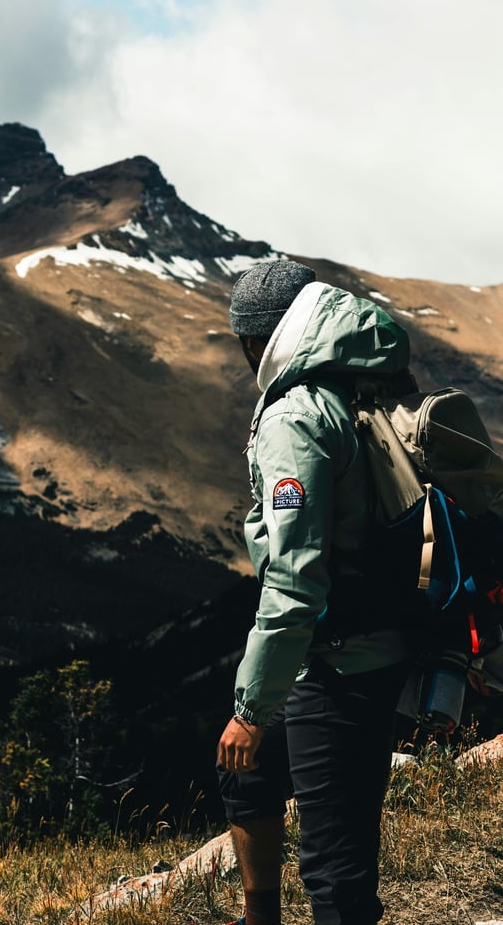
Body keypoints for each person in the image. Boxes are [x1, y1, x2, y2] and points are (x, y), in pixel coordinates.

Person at [216, 260, 415, 925]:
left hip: (336, 661)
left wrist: (251, 708)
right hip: (366, 638)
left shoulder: (295, 416)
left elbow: (295, 579)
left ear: (256, 341)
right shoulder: (366, 381)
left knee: (336, 870)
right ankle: (259, 918)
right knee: (244, 771)